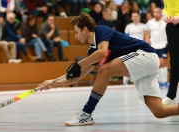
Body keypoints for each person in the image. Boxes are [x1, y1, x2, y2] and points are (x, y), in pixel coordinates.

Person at [39, 12, 179, 126]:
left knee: (105, 69)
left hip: (146, 55)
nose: (75, 36)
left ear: (85, 29)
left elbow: (102, 53)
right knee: (159, 111)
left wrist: (79, 64)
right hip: (142, 68)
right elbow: (77, 76)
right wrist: (52, 83)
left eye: (76, 32)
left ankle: (86, 114)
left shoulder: (100, 30)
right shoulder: (91, 52)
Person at [144, 7, 168, 89]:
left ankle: (164, 82)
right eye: (155, 12)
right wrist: (147, 38)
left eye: (158, 12)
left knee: (162, 63)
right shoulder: (150, 22)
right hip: (153, 46)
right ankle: (158, 82)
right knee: (155, 64)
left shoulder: (165, 21)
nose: (156, 14)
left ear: (161, 12)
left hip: (163, 45)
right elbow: (145, 29)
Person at [162, 0, 179, 105]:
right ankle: (171, 95)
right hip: (171, 26)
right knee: (174, 60)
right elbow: (167, 7)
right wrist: (166, 15)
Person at [123, 11, 145, 85]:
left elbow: (146, 37)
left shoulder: (143, 26)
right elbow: (126, 38)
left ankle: (141, 80)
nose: (135, 18)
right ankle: (125, 81)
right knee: (127, 64)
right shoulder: (128, 27)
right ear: (131, 18)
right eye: (133, 16)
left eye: (136, 16)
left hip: (141, 48)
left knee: (141, 64)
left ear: (139, 17)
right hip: (130, 48)